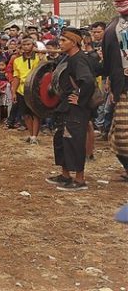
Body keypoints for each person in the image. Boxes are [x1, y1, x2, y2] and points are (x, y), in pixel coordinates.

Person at [45, 28, 95, 191]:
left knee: (74, 141)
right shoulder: (69, 58)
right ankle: (65, 176)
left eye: (63, 41)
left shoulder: (79, 59)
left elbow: (87, 81)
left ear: (74, 42)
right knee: (62, 140)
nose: (60, 43)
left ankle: (79, 180)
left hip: (77, 109)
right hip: (66, 105)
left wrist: (80, 99)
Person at [100, 0, 128, 181]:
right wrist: (108, 81)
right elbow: (109, 61)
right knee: (120, 137)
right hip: (123, 88)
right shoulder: (112, 28)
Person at [12, 37, 43, 144]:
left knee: (36, 114)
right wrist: (13, 91)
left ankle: (35, 136)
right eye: (24, 45)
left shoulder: (39, 58)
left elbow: (45, 71)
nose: (26, 47)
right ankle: (31, 135)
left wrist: (42, 58)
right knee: (25, 114)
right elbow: (16, 77)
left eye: (28, 44)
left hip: (36, 90)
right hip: (22, 90)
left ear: (33, 45)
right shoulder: (17, 60)